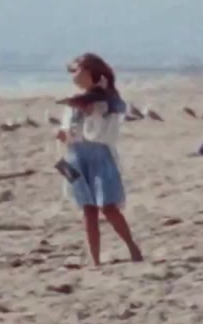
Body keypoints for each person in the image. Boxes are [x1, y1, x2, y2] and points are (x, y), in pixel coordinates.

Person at [55, 53, 144, 266]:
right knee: (88, 209)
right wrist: (63, 134)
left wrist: (94, 109)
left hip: (99, 154)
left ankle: (132, 247)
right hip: (76, 155)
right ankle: (95, 260)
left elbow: (105, 128)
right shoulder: (74, 101)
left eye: (77, 70)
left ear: (89, 71)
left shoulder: (107, 100)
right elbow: (68, 128)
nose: (73, 75)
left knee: (108, 206)